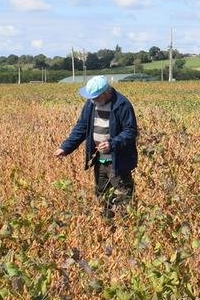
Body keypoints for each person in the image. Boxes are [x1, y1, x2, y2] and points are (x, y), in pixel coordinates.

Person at [55, 75, 139, 220]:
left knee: (122, 196)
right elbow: (81, 127)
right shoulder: (91, 104)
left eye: (96, 97)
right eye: (91, 97)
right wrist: (66, 147)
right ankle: (108, 226)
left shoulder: (122, 104)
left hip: (118, 160)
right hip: (100, 160)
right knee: (102, 195)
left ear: (106, 93)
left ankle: (125, 228)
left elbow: (130, 131)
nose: (93, 100)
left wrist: (112, 144)